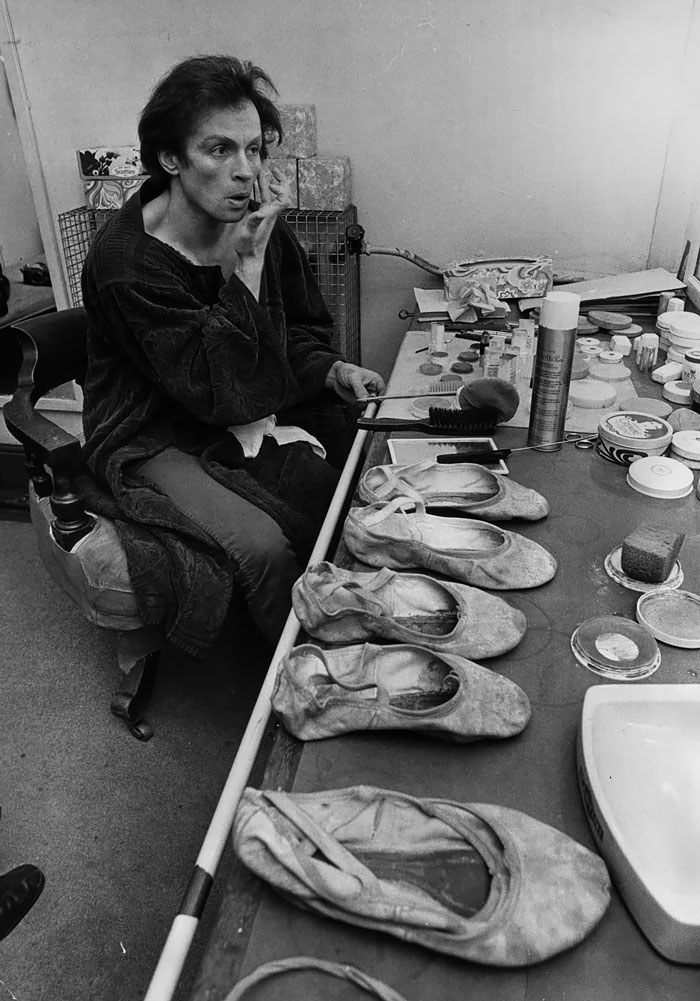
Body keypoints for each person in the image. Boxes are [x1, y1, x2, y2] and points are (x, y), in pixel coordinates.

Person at [80, 55, 385, 658]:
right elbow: (208, 389)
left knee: (359, 476)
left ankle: (353, 616)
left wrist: (331, 369)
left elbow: (296, 329)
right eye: (218, 150)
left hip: (243, 397)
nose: (245, 172)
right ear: (171, 159)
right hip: (152, 427)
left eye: (253, 149)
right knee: (260, 546)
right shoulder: (126, 263)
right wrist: (246, 266)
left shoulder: (253, 222)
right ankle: (301, 668)